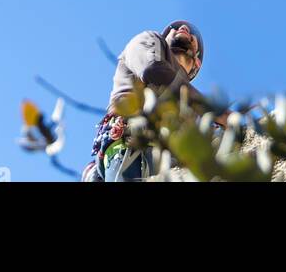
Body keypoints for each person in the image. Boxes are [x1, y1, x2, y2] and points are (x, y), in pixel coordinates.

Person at [82, 21, 207, 182]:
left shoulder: (191, 106)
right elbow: (153, 70)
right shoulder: (148, 44)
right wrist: (218, 113)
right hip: (129, 145)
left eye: (192, 33)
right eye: (173, 29)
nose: (183, 28)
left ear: (197, 63)